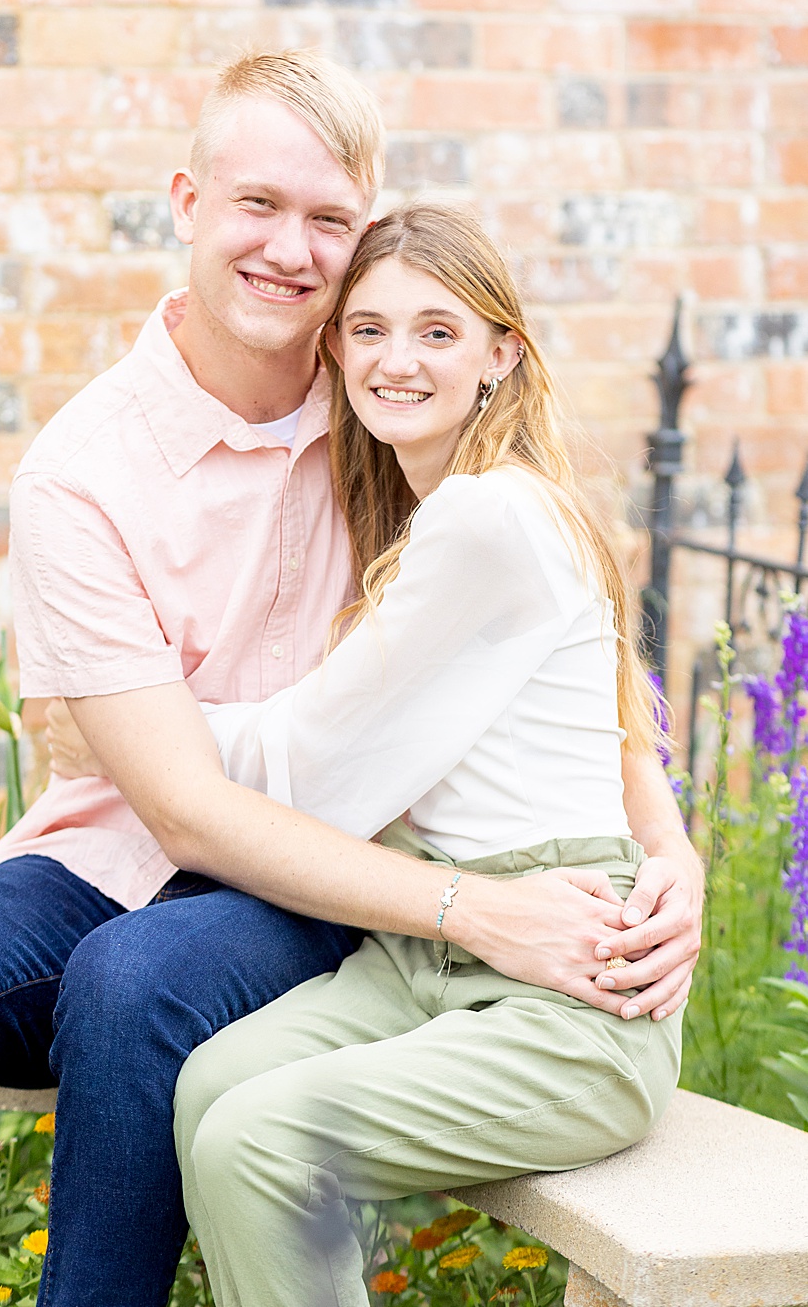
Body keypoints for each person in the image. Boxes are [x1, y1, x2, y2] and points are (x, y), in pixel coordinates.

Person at [0, 50, 703, 1307]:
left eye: (329, 222)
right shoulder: (79, 472)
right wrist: (475, 905)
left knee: (133, 982)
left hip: (340, 858)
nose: (291, 252)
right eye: (259, 205)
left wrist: (665, 841)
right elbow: (182, 810)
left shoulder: (391, 405)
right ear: (187, 202)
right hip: (128, 840)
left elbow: (564, 642)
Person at [163, 200, 683, 1306]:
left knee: (259, 1139)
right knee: (211, 1084)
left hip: (572, 988)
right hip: (424, 966)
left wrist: (130, 717)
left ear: (502, 351)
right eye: (367, 329)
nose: (395, 360)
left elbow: (311, 762)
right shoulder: (444, 511)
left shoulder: (488, 518)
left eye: (437, 331)